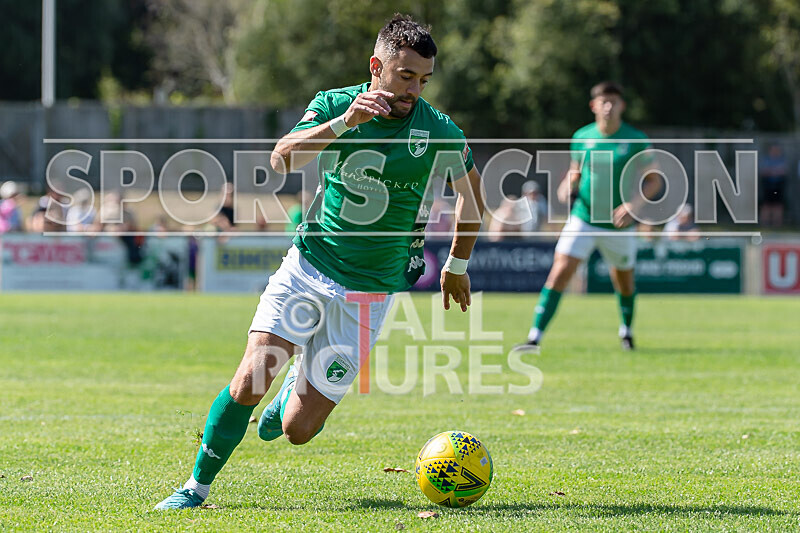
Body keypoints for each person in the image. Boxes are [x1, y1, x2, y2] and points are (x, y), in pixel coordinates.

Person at [155, 14, 484, 509]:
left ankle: (293, 393)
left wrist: (456, 266)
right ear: (377, 67)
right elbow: (281, 158)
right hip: (310, 267)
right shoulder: (335, 104)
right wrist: (345, 122)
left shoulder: (437, 130)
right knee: (250, 379)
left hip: (371, 293)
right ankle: (195, 488)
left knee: (298, 430)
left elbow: (473, 197)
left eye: (423, 80)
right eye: (405, 76)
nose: (415, 89)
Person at [515, 81, 660, 352]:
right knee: (559, 271)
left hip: (618, 225)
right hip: (584, 218)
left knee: (624, 281)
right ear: (594, 106)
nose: (609, 106)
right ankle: (535, 338)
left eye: (614, 102)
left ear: (622, 106)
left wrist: (633, 205)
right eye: (603, 101)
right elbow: (575, 171)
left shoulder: (636, 139)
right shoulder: (582, 137)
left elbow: (654, 181)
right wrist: (566, 184)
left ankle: (626, 332)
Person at [759, 144, 787, 227]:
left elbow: (784, 171)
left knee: (778, 205)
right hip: (767, 185)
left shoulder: (782, 160)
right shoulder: (765, 160)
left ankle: (777, 224)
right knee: (766, 205)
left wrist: (771, 171)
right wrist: (775, 171)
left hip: (778, 185)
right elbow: (763, 171)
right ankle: (765, 224)